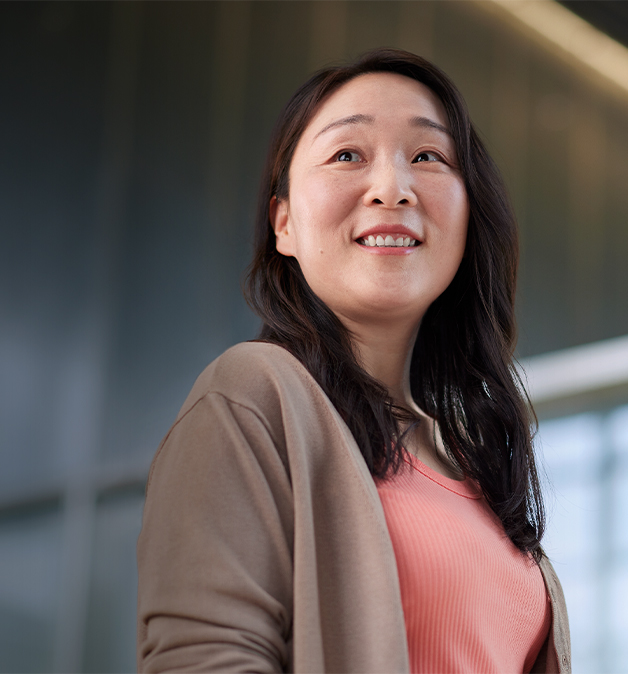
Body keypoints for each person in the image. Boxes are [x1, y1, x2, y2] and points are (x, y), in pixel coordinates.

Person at [137, 48, 571, 673]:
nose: (393, 188)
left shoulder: (472, 462)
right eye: (347, 155)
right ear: (283, 224)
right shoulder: (253, 396)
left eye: (428, 157)